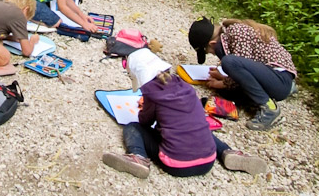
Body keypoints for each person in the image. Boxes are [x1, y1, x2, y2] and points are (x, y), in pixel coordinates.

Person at [102, 49, 268, 179]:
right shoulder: (186, 88)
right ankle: (227, 152)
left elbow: (144, 122)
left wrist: (144, 109)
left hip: (176, 164)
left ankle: (138, 157)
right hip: (207, 162)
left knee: (132, 127)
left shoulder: (152, 93)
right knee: (200, 129)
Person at [188, 17, 297, 131]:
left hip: (280, 81)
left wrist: (222, 83)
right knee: (229, 93)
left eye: (210, 52)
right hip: (275, 77)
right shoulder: (230, 32)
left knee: (229, 62)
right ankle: (287, 88)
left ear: (213, 43)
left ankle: (269, 108)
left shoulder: (236, 34)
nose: (214, 55)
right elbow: (246, 71)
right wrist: (223, 78)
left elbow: (239, 64)